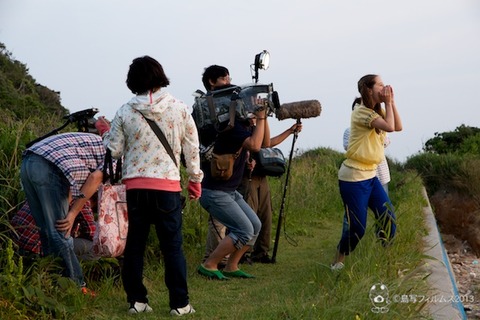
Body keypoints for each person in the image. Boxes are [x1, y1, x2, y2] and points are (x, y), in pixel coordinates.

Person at [95, 55, 203, 316]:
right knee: (172, 247)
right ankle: (180, 304)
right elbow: (192, 148)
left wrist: (104, 130)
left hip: (135, 190)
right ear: (160, 75)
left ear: (132, 81)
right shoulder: (180, 108)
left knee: (134, 246)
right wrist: (195, 181)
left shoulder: (124, 111)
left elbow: (115, 150)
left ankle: (137, 301)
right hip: (167, 188)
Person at [197, 64, 267, 280]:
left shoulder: (238, 123)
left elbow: (263, 142)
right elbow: (255, 146)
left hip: (228, 190)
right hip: (214, 191)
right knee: (244, 229)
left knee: (255, 225)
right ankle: (209, 264)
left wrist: (261, 118)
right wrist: (262, 117)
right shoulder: (227, 125)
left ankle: (232, 266)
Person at [331, 74, 402, 271]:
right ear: (369, 90)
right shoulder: (361, 112)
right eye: (380, 84)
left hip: (371, 176)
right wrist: (387, 102)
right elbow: (389, 126)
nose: (384, 86)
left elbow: (397, 126)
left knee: (388, 218)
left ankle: (388, 261)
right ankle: (338, 259)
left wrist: (392, 103)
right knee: (357, 228)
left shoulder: (375, 113)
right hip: (353, 178)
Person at [20, 132, 105, 293]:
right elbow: (95, 178)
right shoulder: (121, 154)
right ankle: (76, 288)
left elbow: (72, 175)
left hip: (29, 161)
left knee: (46, 231)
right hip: (49, 167)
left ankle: (51, 282)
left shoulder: (101, 144)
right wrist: (73, 213)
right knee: (60, 231)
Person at [239, 119, 302, 263]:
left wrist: (289, 131)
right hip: (247, 176)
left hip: (261, 175)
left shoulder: (258, 125)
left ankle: (261, 252)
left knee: (265, 214)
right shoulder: (241, 126)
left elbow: (267, 143)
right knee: (250, 214)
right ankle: (244, 253)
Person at [199, 65, 232, 268]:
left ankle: (214, 257)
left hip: (225, 164)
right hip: (212, 164)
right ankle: (216, 260)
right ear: (212, 82)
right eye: (224, 78)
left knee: (222, 216)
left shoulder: (225, 101)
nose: (228, 82)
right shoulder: (204, 104)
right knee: (218, 216)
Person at [11, 199, 98, 261]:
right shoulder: (81, 199)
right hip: (35, 248)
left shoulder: (50, 187)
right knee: (97, 248)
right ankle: (59, 268)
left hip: (13, 241)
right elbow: (93, 234)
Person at [343, 127, 391, 194]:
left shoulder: (379, 129)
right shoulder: (350, 130)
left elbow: (386, 142)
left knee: (383, 202)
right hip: (360, 175)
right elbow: (347, 146)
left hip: (380, 174)